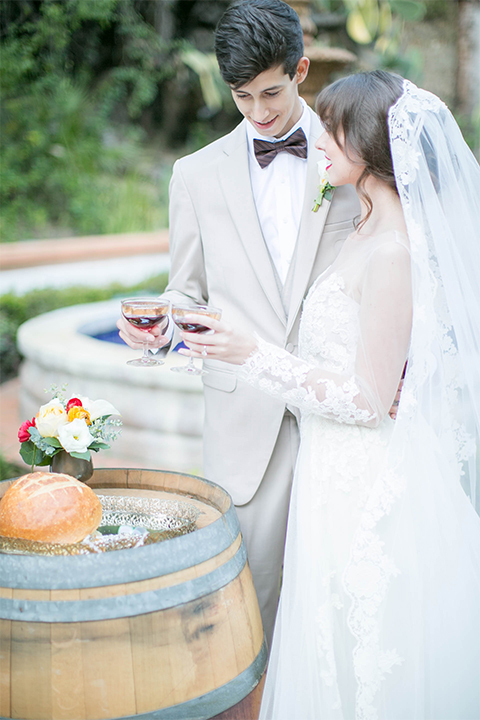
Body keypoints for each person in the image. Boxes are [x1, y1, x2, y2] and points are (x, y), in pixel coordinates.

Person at [177, 70, 480, 719]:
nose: (319, 140)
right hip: (330, 471)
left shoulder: (393, 249)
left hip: (367, 482)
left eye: (334, 130)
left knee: (370, 658)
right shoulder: (363, 226)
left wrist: (253, 354)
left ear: (370, 143)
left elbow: (369, 399)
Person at [117, 0, 360, 646]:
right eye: (242, 97)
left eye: (272, 93)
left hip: (337, 413)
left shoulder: (353, 157)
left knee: (345, 605)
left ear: (302, 69)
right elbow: (185, 289)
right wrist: (162, 323)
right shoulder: (194, 176)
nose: (259, 113)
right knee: (247, 613)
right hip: (244, 427)